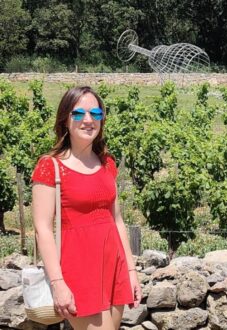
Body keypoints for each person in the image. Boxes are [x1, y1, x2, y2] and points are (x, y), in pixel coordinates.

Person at [31, 86, 141, 329]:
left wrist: (131, 270)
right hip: (77, 270)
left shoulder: (107, 163)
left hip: (113, 266)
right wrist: (58, 282)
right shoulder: (50, 166)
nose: (88, 120)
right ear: (65, 119)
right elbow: (42, 229)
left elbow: (117, 220)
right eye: (79, 113)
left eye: (96, 114)